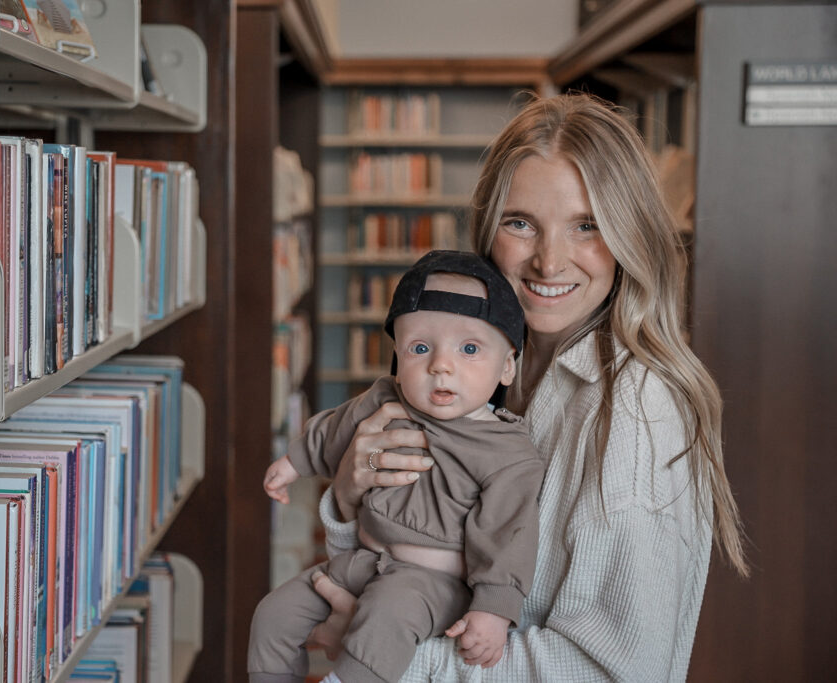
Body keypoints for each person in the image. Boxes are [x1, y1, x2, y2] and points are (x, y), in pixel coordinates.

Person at [307, 93, 749, 682]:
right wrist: (345, 499)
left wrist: (391, 657)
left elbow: (612, 673)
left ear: (628, 236)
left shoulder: (635, 414)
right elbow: (401, 570)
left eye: (586, 226)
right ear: (487, 232)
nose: (549, 260)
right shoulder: (479, 376)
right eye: (521, 224)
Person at [249, 251, 547, 683]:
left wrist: (492, 609)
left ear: (506, 367)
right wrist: (295, 460)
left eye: (469, 349)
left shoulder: (508, 453)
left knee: (384, 621)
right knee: (273, 614)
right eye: (420, 347)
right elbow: (336, 429)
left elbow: (509, 536)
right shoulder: (386, 400)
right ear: (397, 356)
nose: (440, 365)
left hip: (432, 584)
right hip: (365, 560)